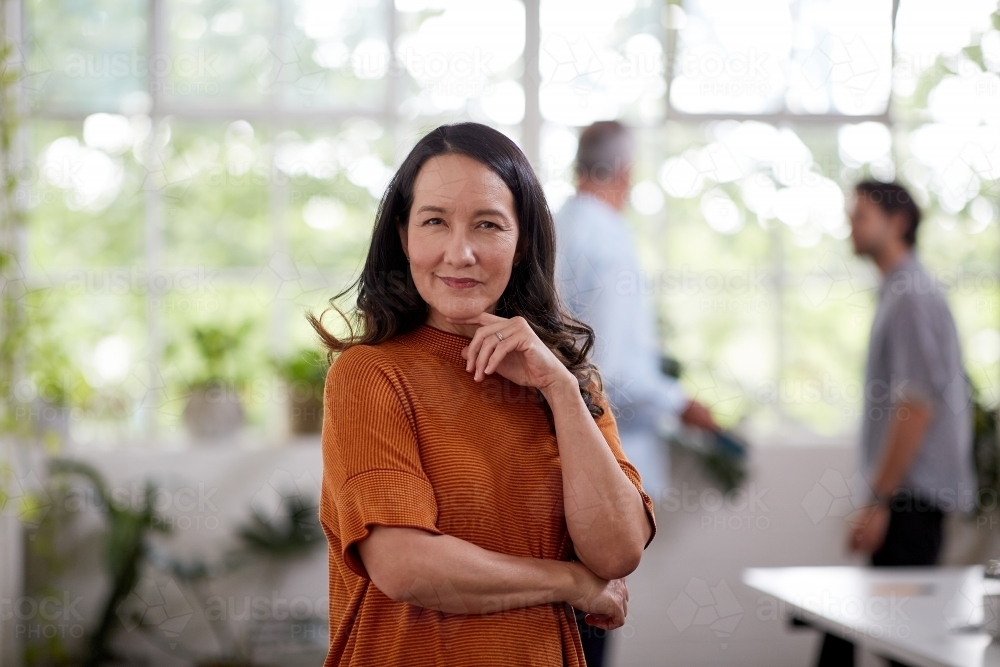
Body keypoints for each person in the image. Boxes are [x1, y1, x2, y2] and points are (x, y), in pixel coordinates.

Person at [311, 122, 657, 667]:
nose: (460, 252)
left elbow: (617, 550)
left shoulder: (568, 381)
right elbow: (405, 565)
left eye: (488, 224)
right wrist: (569, 581)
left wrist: (561, 391)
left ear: (521, 243)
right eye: (434, 222)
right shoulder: (369, 376)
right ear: (404, 237)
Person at [552, 120, 720, 667]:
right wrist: (680, 403)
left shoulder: (551, 228)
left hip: (545, 457)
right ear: (626, 171)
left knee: (555, 625)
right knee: (592, 623)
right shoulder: (609, 238)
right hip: (598, 466)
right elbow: (613, 370)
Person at [814, 180, 976, 667]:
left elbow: (916, 406)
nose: (851, 225)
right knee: (873, 632)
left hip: (913, 500)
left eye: (861, 215)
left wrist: (879, 500)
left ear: (898, 222)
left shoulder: (911, 294)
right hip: (907, 498)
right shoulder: (899, 291)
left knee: (894, 640)